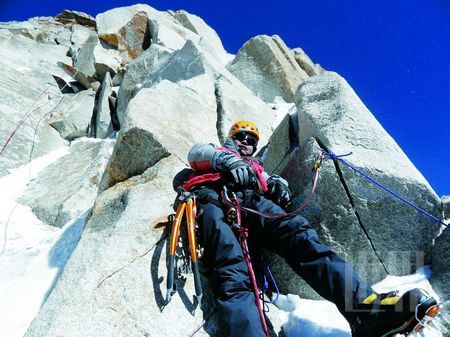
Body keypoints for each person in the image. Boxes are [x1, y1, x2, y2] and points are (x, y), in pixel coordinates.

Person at [182, 120, 439, 337]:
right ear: (231, 138)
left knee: (303, 240)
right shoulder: (215, 152)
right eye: (242, 137)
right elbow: (195, 154)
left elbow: (269, 180)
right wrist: (227, 162)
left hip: (255, 203)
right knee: (233, 274)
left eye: (251, 140)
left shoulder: (257, 167)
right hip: (217, 200)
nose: (246, 143)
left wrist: (277, 184)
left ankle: (366, 311)